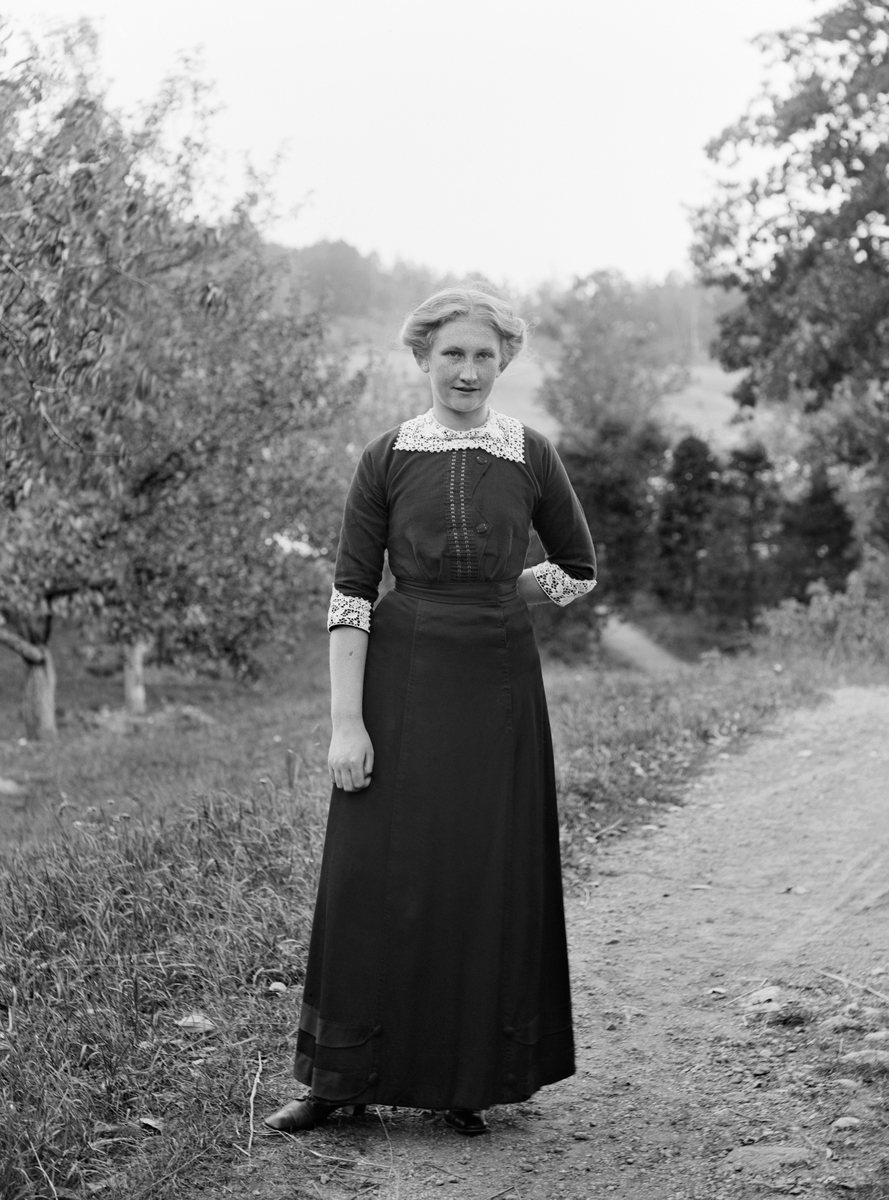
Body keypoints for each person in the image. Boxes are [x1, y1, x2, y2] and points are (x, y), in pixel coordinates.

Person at [264, 286, 596, 1138]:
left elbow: (578, 568)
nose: (467, 370)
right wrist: (346, 723)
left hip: (498, 683)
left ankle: (466, 1078)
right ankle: (340, 1082)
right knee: (368, 875)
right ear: (422, 358)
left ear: (504, 362)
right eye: (452, 353)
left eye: (483, 355)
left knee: (479, 872)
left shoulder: (531, 454)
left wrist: (498, 590)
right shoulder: (384, 456)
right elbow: (350, 592)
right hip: (399, 676)